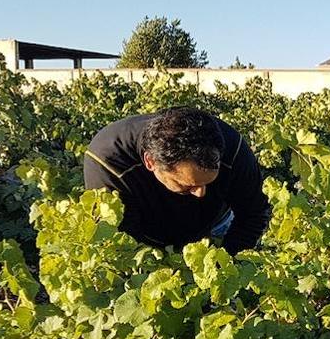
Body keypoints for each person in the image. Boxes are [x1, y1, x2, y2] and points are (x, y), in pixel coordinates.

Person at [83, 106, 270, 254]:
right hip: (150, 242)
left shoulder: (233, 148)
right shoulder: (107, 161)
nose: (201, 193)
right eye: (188, 185)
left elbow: (253, 213)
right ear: (151, 162)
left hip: (217, 225)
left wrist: (226, 263)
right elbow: (121, 240)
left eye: (208, 182)